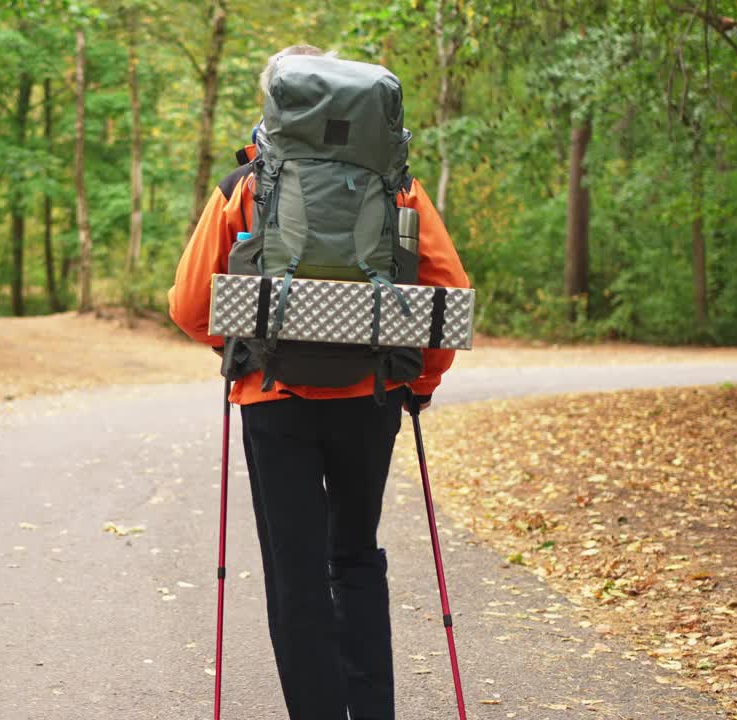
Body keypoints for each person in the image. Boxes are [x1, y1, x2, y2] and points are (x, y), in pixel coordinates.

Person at [168, 46, 469, 720]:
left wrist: (244, 347)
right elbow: (449, 294)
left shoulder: (245, 186)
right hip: (371, 399)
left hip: (273, 401)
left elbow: (189, 306)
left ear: (277, 105)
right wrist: (418, 379)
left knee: (295, 574)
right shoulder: (395, 186)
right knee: (355, 555)